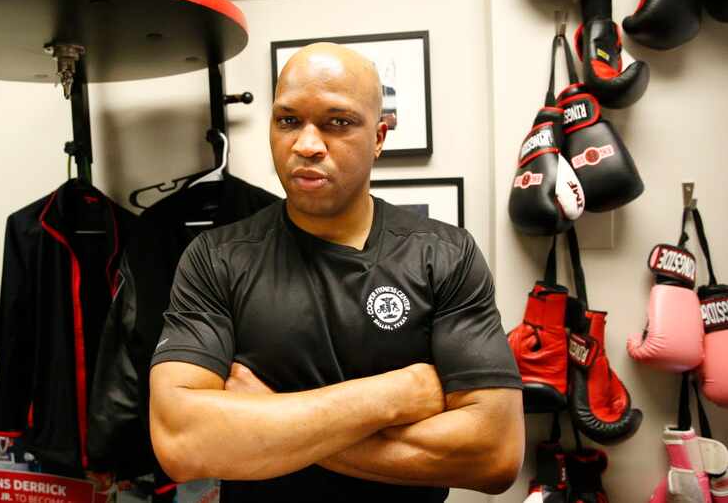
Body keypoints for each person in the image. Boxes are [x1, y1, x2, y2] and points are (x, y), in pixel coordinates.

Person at [149, 43, 524, 501]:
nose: (307, 145)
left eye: (338, 123)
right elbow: (182, 442)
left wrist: (267, 417)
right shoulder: (216, 258)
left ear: (380, 137)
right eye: (288, 120)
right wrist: (393, 395)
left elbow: (495, 455)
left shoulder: (444, 255)